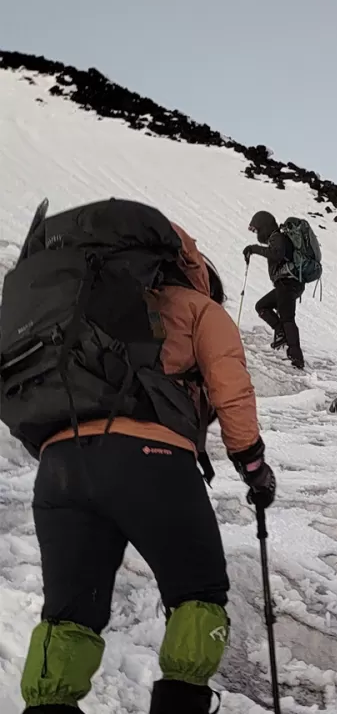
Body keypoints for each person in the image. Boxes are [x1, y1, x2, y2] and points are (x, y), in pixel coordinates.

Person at [0, 200, 276, 714]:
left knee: (69, 615)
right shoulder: (197, 307)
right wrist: (252, 463)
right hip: (151, 462)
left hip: (60, 466)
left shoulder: (78, 305)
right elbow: (231, 389)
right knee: (198, 591)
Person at [243, 210, 305, 369]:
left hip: (287, 284)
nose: (257, 233)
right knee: (263, 307)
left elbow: (276, 254)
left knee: (287, 319)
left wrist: (253, 248)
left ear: (264, 226)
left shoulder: (277, 237)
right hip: (289, 285)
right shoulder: (278, 237)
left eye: (257, 229)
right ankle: (282, 335)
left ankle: (296, 358)